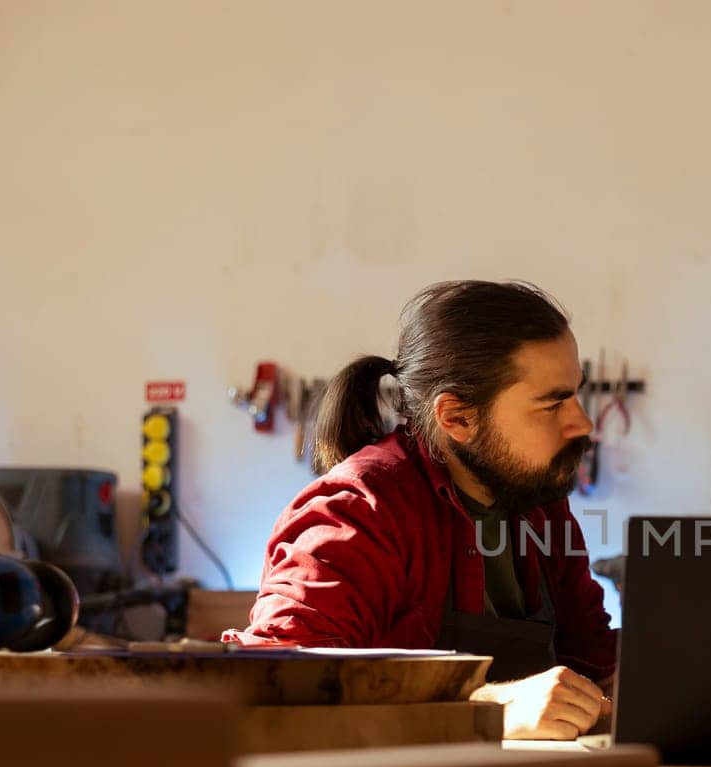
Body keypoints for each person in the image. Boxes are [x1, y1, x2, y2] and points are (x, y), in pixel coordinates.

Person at [228, 280, 616, 740]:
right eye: (552, 403)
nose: (582, 423)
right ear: (456, 418)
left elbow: (593, 661)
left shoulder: (540, 506)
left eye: (575, 394)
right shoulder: (357, 511)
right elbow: (278, 694)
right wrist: (489, 711)